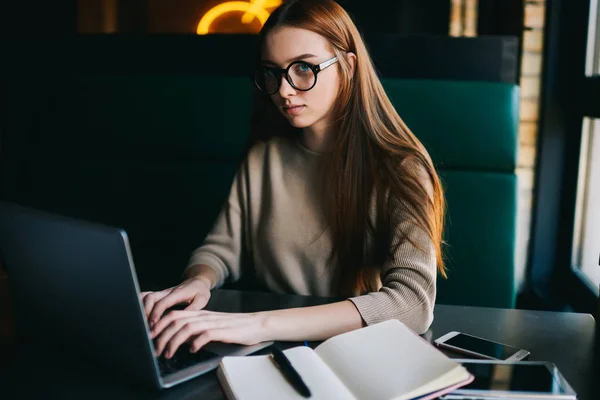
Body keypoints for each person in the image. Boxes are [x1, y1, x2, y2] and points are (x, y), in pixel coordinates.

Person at [142, 0, 446, 360]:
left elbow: (413, 304)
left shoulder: (404, 168)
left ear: (348, 67)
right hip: (276, 351)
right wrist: (199, 280)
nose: (284, 90)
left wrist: (258, 325)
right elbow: (221, 251)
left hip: (360, 354)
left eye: (303, 67)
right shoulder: (264, 159)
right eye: (273, 72)